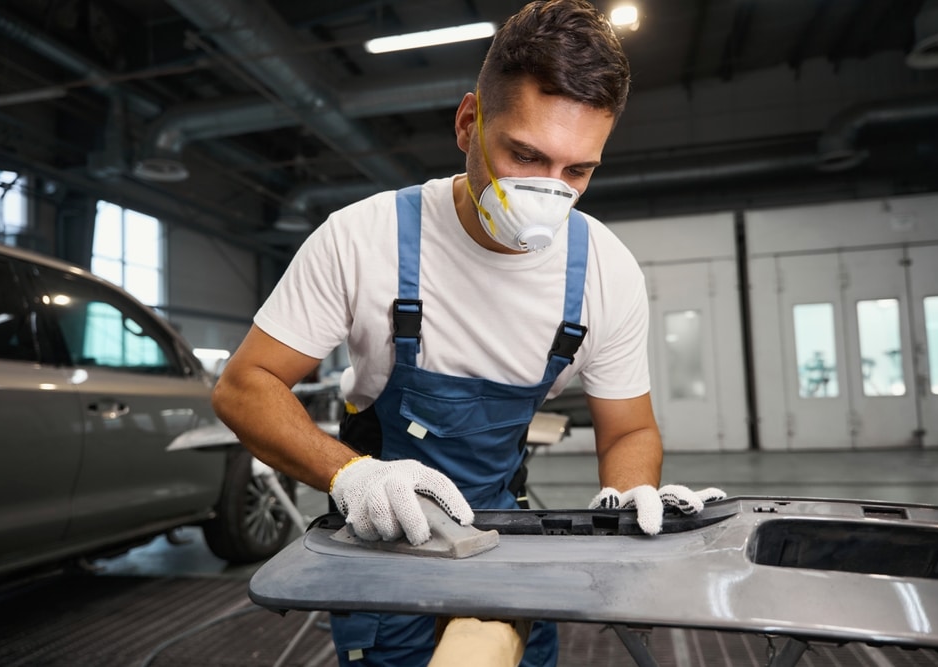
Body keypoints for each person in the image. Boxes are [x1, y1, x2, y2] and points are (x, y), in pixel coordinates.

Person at [212, 1, 724, 664]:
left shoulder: (604, 268)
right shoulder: (363, 240)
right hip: (381, 555)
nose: (550, 194)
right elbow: (242, 386)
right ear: (468, 123)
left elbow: (627, 428)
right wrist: (353, 476)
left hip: (507, 547)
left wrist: (629, 496)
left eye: (578, 171)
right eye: (526, 155)